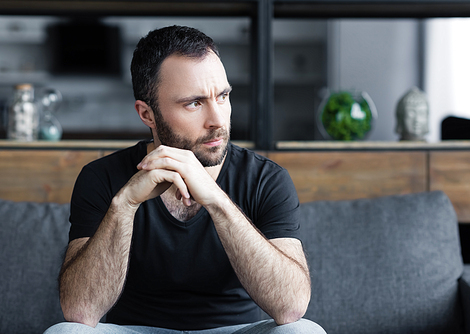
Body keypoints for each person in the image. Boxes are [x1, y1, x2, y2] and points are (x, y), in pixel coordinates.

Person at [44, 26, 325, 334]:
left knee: (303, 331)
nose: (217, 120)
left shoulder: (265, 179)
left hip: (238, 330)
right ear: (147, 114)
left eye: (223, 96)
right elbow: (80, 311)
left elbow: (291, 306)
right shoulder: (102, 178)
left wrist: (215, 200)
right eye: (194, 103)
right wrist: (124, 205)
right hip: (137, 330)